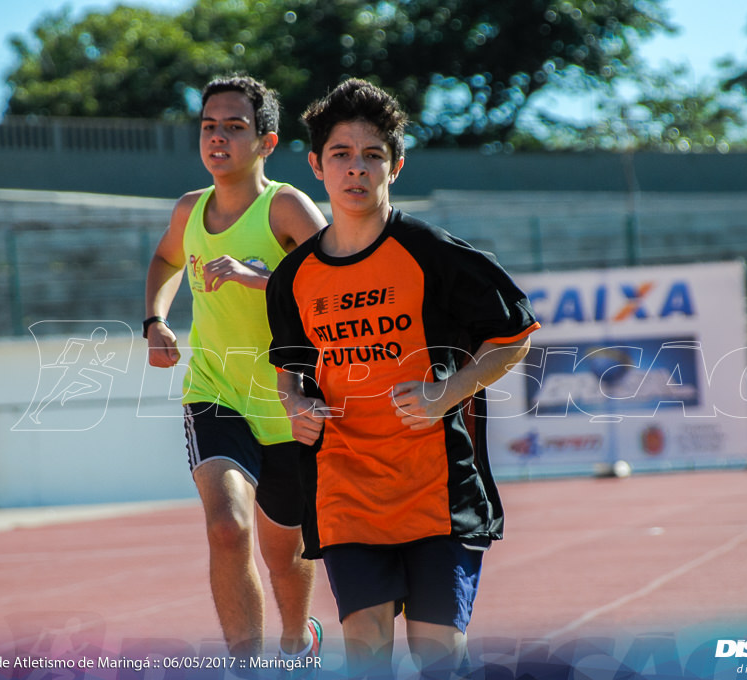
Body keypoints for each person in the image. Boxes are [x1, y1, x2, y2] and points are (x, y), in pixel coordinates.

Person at [266, 79, 540, 679]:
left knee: (438, 658)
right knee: (366, 656)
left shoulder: (433, 253)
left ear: (396, 164)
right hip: (345, 491)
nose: (356, 169)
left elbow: (514, 335)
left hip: (435, 491)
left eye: (372, 155)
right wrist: (295, 406)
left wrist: (449, 391)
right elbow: (290, 371)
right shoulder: (293, 278)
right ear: (316, 165)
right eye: (340, 154)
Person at [144, 74, 328, 665]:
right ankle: (244, 666)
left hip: (288, 399)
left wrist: (261, 279)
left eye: (234, 126)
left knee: (284, 551)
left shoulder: (287, 207)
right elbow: (166, 259)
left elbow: (337, 286)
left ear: (266, 142)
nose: (217, 137)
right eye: (208, 126)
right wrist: (155, 320)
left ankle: (298, 640)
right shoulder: (189, 210)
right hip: (215, 392)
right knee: (227, 528)